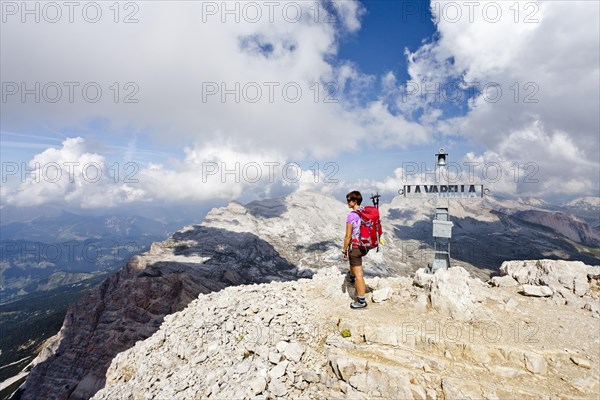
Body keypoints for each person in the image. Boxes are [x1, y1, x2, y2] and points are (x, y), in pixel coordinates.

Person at [342, 191, 368, 309]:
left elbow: (348, 236)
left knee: (359, 274)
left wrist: (344, 250)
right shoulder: (364, 212)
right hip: (364, 246)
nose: (347, 202)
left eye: (349, 200)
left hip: (356, 247)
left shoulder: (351, 216)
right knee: (354, 264)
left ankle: (361, 301)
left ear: (355, 201)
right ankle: (351, 276)